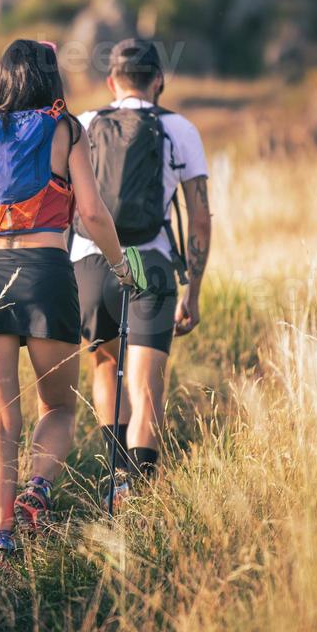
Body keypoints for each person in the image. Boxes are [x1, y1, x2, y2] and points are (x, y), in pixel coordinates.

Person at [0, 39, 145, 571]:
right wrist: (118, 265)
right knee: (59, 408)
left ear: (2, 78)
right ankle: (37, 492)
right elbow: (90, 212)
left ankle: (1, 540)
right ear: (50, 79)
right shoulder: (67, 129)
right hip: (46, 277)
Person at [70, 38, 212, 506]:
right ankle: (141, 494)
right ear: (159, 82)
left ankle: (115, 477)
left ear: (111, 82)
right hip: (149, 263)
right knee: (147, 380)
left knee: (107, 362)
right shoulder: (180, 129)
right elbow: (200, 217)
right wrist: (192, 289)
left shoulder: (87, 124)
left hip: (92, 263)